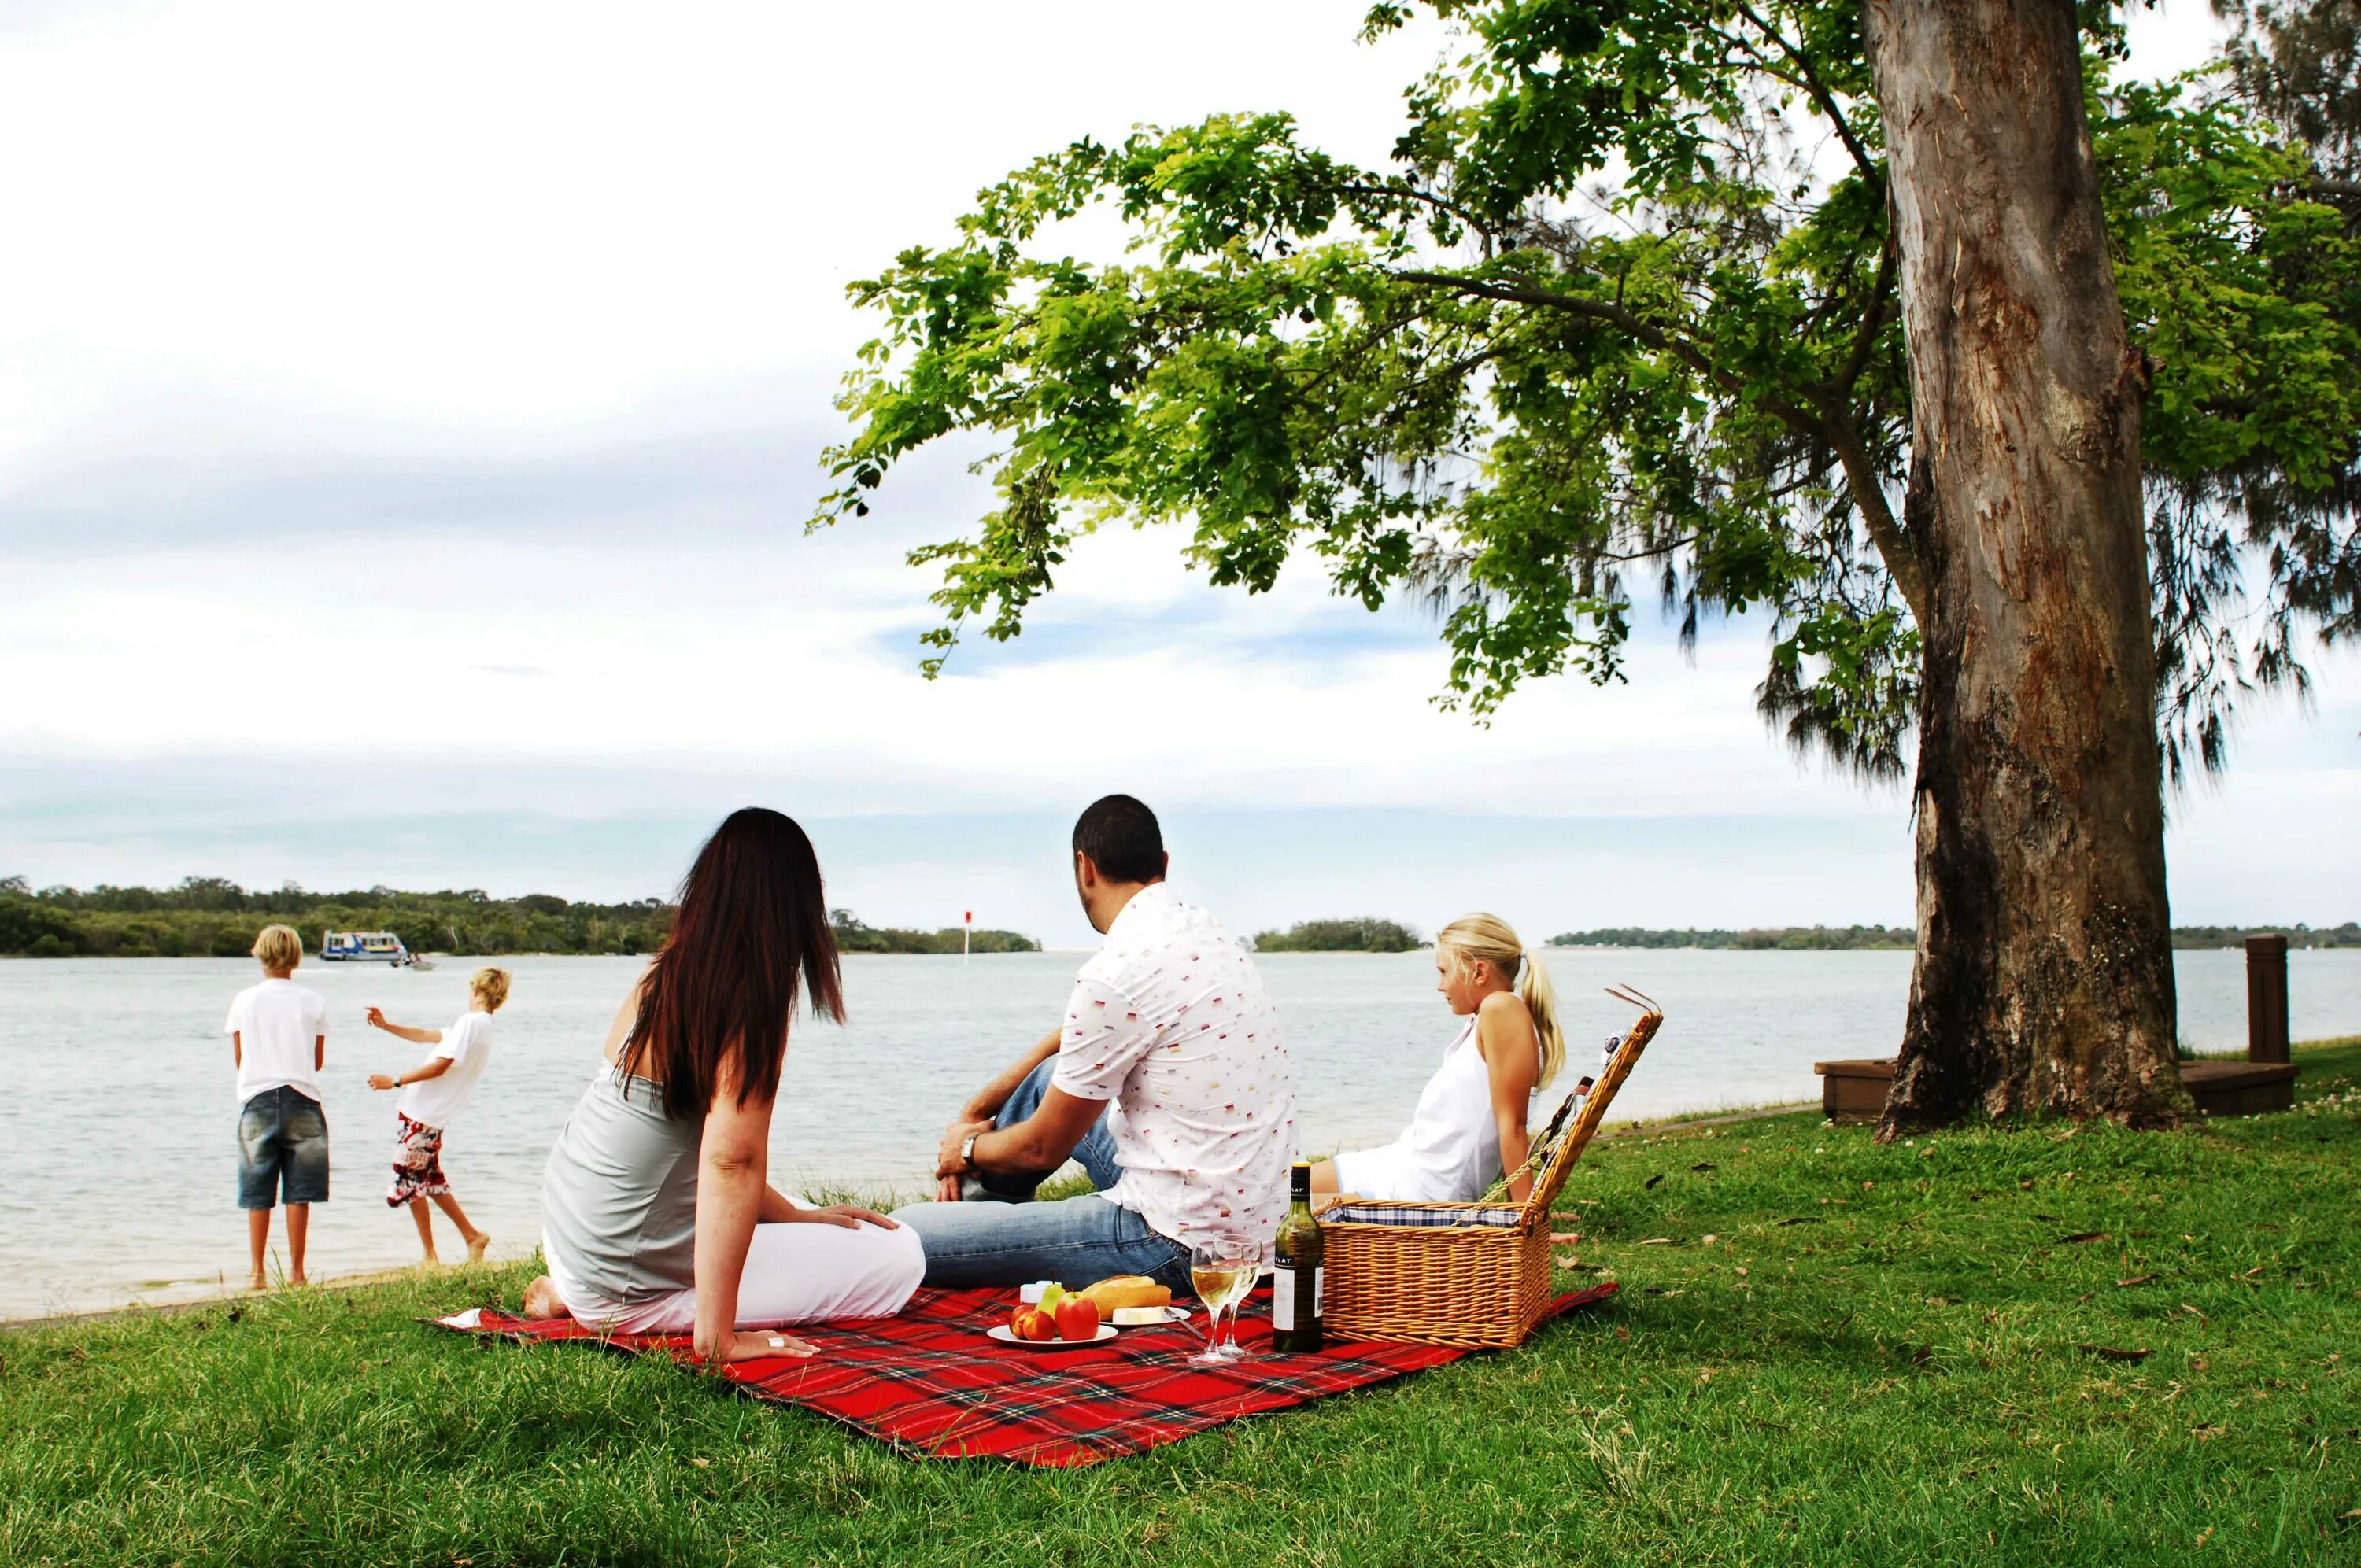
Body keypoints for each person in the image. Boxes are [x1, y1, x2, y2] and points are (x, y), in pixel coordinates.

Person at [520, 808, 922, 1363]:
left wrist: (798, 1217)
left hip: (572, 1230)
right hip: (621, 1275)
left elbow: (676, 1149)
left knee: (816, 1216)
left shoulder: (665, 971)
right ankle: (608, 1305)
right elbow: (730, 1163)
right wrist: (720, 1337)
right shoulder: (751, 1001)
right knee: (899, 1254)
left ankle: (575, 1289)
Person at [892, 794, 1297, 1290]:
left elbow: (1043, 1148)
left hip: (1180, 1246)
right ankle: (985, 1215)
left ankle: (973, 1222)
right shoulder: (1206, 934)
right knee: (1049, 1080)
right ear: (1163, 866)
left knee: (902, 1235)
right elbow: (1067, 1048)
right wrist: (970, 1122)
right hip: (1256, 1226)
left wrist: (969, 1150)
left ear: (1084, 867)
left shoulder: (1118, 970)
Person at [1311, 913, 1565, 1205]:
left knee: (1269, 1211)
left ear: (1479, 972)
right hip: (1396, 1164)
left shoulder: (1501, 1008)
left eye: (1444, 971)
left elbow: (1513, 1126)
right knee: (1275, 1188)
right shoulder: (1487, 1016)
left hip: (1416, 1193)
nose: (1440, 985)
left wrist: (1526, 1219)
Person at [364, 966, 512, 1267]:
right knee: (430, 1180)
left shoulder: (471, 1023)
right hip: (429, 1116)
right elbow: (425, 1036)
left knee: (408, 1180)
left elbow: (441, 1065)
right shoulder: (478, 1026)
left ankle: (430, 1256)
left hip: (424, 1115)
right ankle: (472, 1236)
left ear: (476, 990)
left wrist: (395, 1080)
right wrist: (387, 1026)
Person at [224, 924, 330, 1290]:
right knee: (299, 1192)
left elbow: (241, 1058)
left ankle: (257, 1272)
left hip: (258, 1099)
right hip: (303, 1097)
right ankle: (297, 1273)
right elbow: (316, 1060)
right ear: (296, 957)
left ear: (260, 954)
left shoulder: (244, 1000)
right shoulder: (313, 1001)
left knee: (258, 1190)